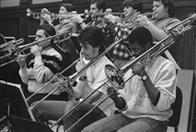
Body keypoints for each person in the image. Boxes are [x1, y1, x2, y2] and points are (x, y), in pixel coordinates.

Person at [82, 27, 177, 132]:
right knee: (88, 131)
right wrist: (115, 98)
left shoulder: (166, 66)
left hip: (154, 118)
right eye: (131, 49)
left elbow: (162, 105)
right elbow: (124, 106)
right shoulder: (131, 65)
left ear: (148, 46)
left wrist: (143, 76)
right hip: (129, 116)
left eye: (136, 49)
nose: (132, 54)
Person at [31, 26, 116, 132]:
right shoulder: (86, 61)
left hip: (100, 111)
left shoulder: (107, 67)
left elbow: (90, 100)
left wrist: (82, 75)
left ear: (97, 47)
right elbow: (78, 94)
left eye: (85, 47)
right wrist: (67, 87)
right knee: (35, 107)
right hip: (78, 106)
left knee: (74, 107)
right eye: (81, 47)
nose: (82, 52)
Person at [17, 24, 70, 105]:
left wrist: (38, 56)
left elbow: (41, 78)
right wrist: (22, 66)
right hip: (32, 94)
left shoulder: (55, 55)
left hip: (46, 97)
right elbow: (26, 81)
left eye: (39, 36)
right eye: (36, 36)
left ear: (49, 39)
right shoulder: (36, 54)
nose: (35, 39)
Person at [135, 0, 181, 69]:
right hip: (145, 64)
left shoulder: (174, 21)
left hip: (165, 65)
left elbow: (166, 40)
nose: (154, 8)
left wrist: (147, 23)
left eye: (157, 6)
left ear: (166, 8)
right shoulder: (151, 22)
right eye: (153, 6)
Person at [112, 0, 143, 68]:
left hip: (127, 61)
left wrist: (115, 24)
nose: (124, 9)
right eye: (124, 7)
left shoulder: (139, 21)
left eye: (127, 7)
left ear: (135, 9)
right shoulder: (126, 22)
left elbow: (126, 36)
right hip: (117, 60)